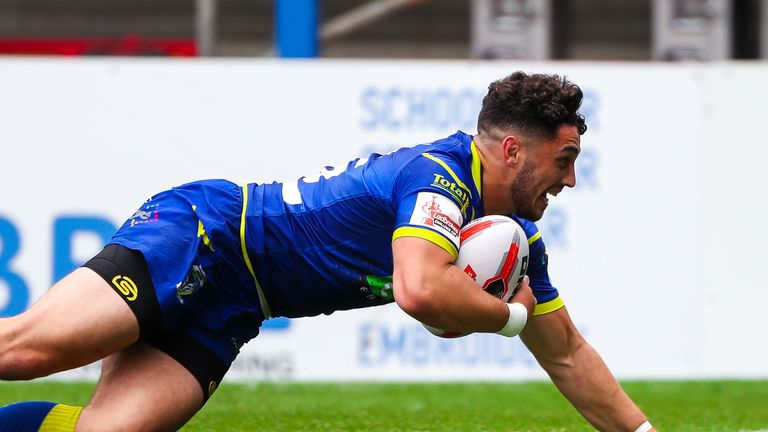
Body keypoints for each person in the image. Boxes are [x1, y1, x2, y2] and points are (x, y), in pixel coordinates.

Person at [0, 71, 655, 432]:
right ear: (512, 150)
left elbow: (566, 352)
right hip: (205, 235)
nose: (570, 179)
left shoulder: (515, 238)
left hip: (239, 303)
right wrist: (508, 317)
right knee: (26, 351)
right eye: (564, 160)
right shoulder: (440, 176)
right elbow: (422, 292)